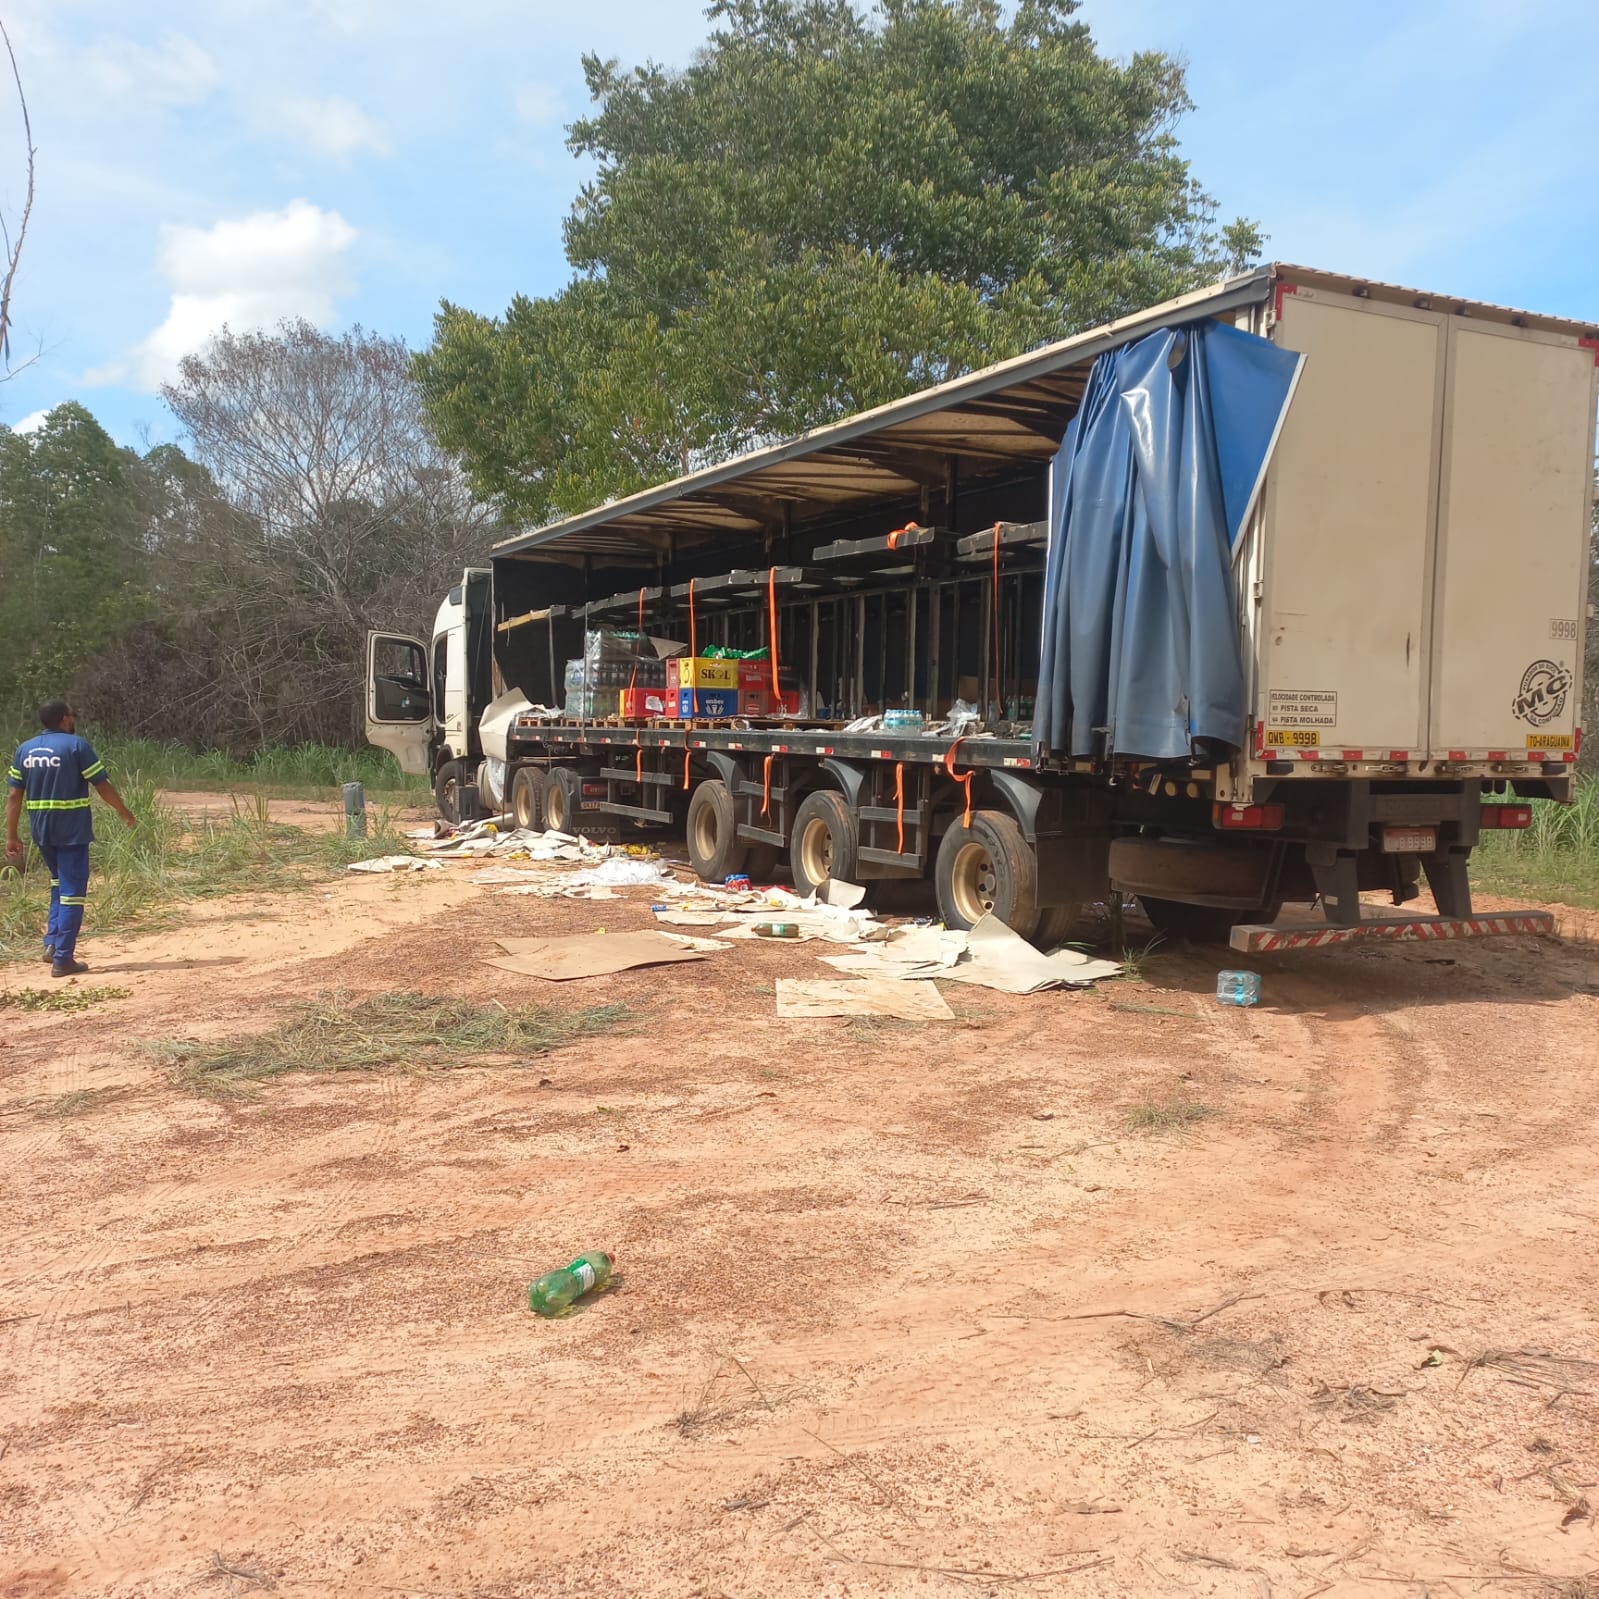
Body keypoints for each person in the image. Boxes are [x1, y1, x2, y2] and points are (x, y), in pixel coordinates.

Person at [5, 699, 137, 977]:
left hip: (42, 831)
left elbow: (14, 796)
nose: (73, 719)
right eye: (71, 715)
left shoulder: (25, 749)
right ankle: (63, 959)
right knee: (73, 894)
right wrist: (123, 811)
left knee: (58, 885)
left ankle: (52, 944)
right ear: (64, 719)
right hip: (71, 832)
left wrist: (12, 835)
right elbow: (102, 785)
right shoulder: (76, 746)